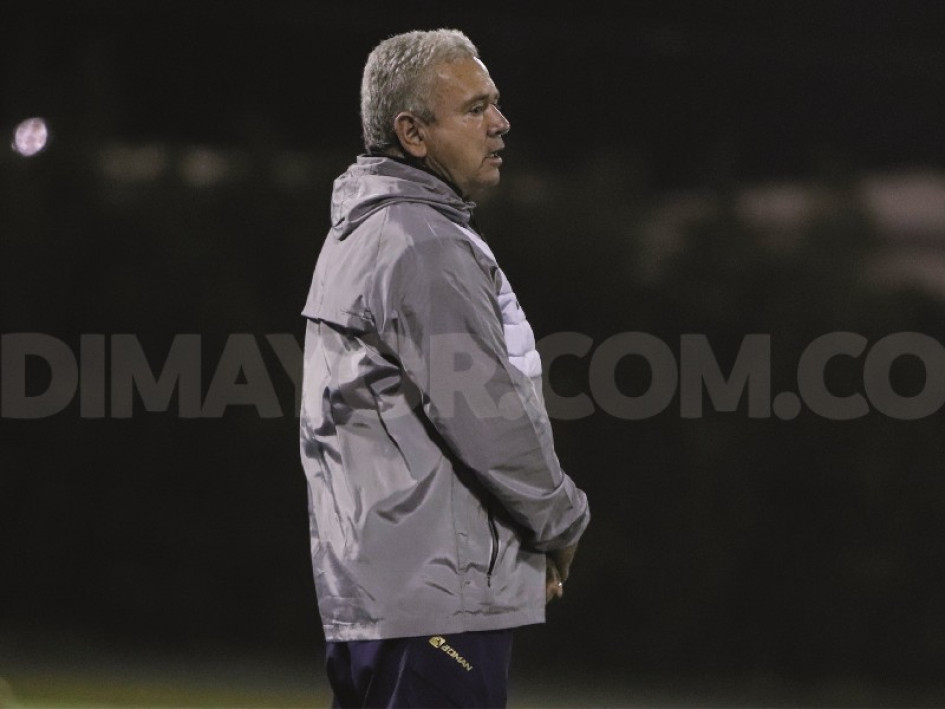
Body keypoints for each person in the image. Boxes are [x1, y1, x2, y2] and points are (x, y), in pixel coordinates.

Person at [299, 28, 590, 708]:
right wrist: (561, 519)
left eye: (495, 104)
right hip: (435, 597)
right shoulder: (422, 242)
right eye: (475, 107)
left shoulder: (362, 230)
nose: (500, 122)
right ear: (412, 133)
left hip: (378, 594)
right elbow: (489, 418)